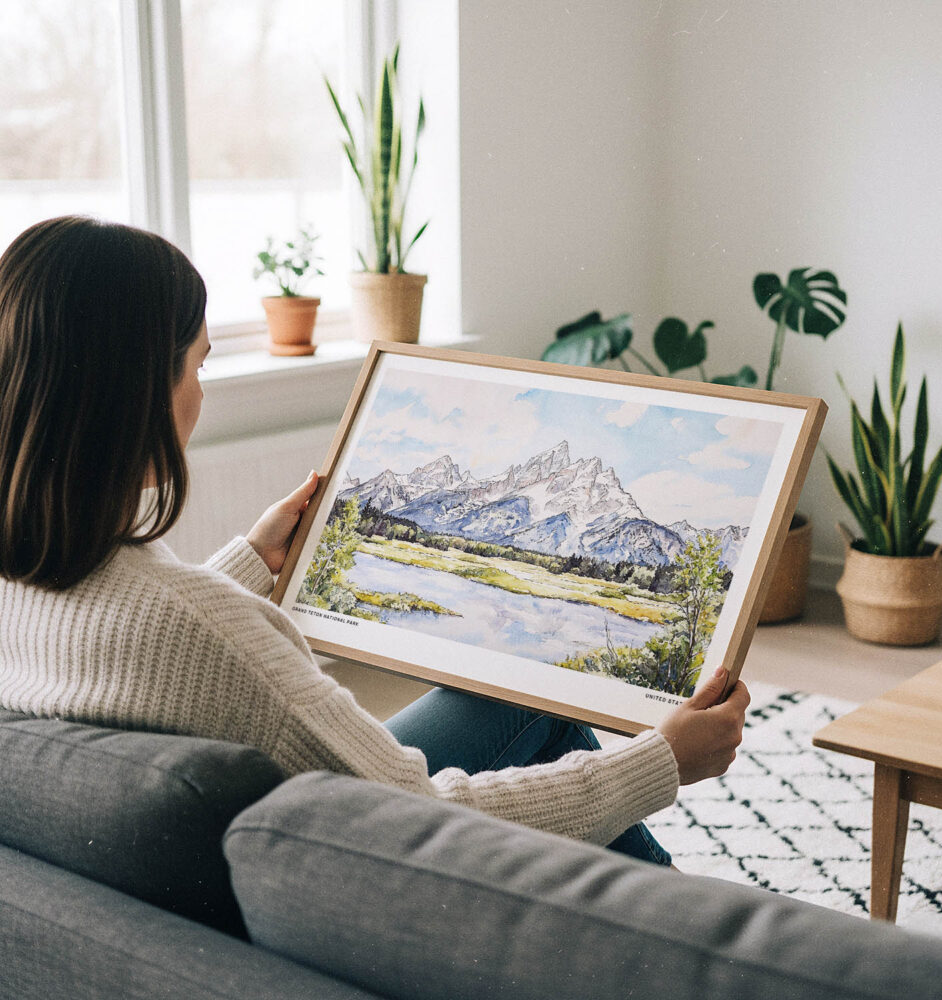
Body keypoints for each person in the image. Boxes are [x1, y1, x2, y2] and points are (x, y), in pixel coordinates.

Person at [0, 216, 749, 866]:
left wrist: (249, 564)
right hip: (359, 859)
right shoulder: (207, 630)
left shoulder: (28, 580)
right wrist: (660, 761)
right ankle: (695, 936)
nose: (202, 392)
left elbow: (140, 638)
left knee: (505, 702)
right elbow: (418, 816)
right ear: (135, 394)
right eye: (198, 365)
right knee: (548, 722)